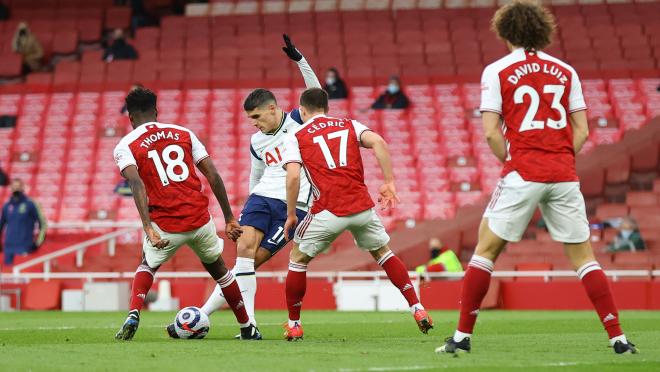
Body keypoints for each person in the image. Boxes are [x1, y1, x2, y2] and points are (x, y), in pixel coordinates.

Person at [436, 0, 636, 355]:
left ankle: (462, 338)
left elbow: (492, 133)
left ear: (504, 31)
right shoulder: (566, 71)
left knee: (485, 251)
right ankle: (618, 339)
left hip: (523, 170)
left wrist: (515, 159)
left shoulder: (496, 71)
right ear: (543, 30)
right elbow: (583, 129)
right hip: (562, 173)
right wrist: (558, 156)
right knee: (585, 258)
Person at [166, 35, 322, 336]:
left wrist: (299, 60)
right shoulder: (256, 141)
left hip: (295, 205)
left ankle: (201, 314)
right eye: (250, 119)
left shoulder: (298, 122)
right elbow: (256, 175)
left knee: (251, 264)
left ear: (274, 109)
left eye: (257, 116)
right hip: (261, 199)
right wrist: (243, 209)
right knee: (243, 256)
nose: (254, 123)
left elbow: (315, 93)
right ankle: (248, 325)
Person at [281, 88, 433, 341]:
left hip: (326, 210)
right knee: (383, 253)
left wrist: (290, 215)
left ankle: (294, 324)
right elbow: (379, 142)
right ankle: (417, 308)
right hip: (362, 208)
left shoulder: (295, 135)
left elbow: (294, 175)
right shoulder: (349, 124)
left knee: (297, 260)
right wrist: (389, 182)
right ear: (327, 108)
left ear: (302, 111)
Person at [113, 88, 260, 341]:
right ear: (156, 112)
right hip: (200, 220)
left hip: (166, 225)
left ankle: (134, 313)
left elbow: (136, 184)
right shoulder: (184, 133)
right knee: (221, 272)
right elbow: (212, 175)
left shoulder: (125, 145)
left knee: (147, 264)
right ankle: (247, 327)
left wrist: (147, 226)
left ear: (130, 117)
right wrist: (229, 218)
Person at [0, 179, 47, 265]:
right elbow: (1, 225)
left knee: (24, 276)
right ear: (10, 188)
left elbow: (43, 224)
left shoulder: (31, 204)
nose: (16, 189)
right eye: (14, 187)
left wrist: (37, 243)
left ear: (23, 188)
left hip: (26, 247)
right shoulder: (6, 206)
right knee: (8, 276)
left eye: (18, 186)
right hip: (9, 249)